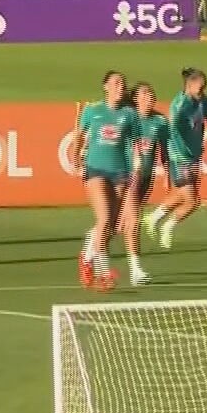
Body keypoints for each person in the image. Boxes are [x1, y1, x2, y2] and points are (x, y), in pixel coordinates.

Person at [73, 71, 140, 290]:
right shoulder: (93, 111)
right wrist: (75, 158)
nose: (121, 86)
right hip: (96, 170)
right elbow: (80, 136)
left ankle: (86, 256)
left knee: (110, 227)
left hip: (120, 172)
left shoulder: (129, 114)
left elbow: (136, 143)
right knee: (103, 219)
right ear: (106, 86)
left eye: (123, 82)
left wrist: (136, 166)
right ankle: (103, 273)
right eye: (116, 82)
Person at [144, 68, 207, 248]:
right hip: (179, 156)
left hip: (193, 156)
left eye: (204, 88)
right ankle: (168, 227)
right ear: (190, 86)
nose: (202, 92)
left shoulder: (203, 101)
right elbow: (172, 126)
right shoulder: (180, 104)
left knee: (180, 195)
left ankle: (153, 218)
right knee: (193, 201)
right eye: (200, 88)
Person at [125, 82, 172, 284]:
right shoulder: (126, 118)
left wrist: (168, 173)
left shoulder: (160, 121)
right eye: (145, 93)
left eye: (151, 93)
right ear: (135, 98)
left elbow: (165, 149)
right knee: (133, 220)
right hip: (125, 176)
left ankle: (92, 246)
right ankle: (136, 269)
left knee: (121, 224)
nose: (150, 96)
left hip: (146, 177)